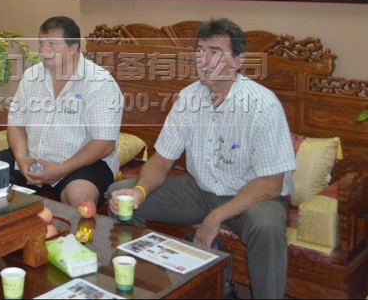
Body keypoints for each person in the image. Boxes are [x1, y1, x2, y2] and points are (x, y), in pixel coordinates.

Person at [108, 17, 296, 299]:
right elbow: (161, 160)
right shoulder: (189, 98)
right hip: (201, 191)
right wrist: (140, 191)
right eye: (200, 51)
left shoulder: (262, 105)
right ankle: (145, 287)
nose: (204, 61)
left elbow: (271, 183)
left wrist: (216, 217)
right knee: (120, 195)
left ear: (238, 61)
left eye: (215, 52)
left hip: (254, 198)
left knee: (267, 226)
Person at [0, 16, 123, 208]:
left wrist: (61, 170)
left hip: (81, 163)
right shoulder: (31, 76)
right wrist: (21, 158)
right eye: (41, 43)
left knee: (79, 196)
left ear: (73, 47)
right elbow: (16, 125)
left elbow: (104, 144)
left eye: (52, 44)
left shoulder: (99, 83)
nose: (43, 50)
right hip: (32, 156)